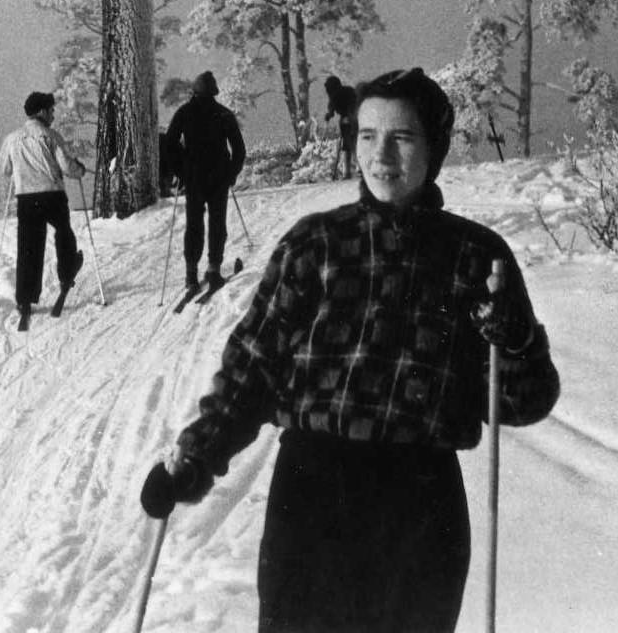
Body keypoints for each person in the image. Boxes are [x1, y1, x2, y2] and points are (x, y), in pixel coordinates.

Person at [140, 67, 560, 632]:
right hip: (313, 495)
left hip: (421, 507)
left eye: (402, 138)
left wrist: (514, 338)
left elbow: (521, 402)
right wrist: (192, 459)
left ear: (433, 148)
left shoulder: (476, 255)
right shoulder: (314, 244)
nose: (381, 154)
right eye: (367, 136)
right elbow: (252, 371)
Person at [0, 91, 87, 326]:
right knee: (63, 231)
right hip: (52, 194)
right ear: (42, 112)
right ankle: (67, 272)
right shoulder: (50, 135)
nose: (53, 115)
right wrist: (79, 169)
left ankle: (25, 299)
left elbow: (3, 168)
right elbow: (67, 167)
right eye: (51, 110)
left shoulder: (12, 138)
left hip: (26, 197)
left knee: (29, 246)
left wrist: (20, 169)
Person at [164, 71, 247, 293]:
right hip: (218, 177)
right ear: (213, 92)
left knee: (194, 225)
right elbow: (239, 150)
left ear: (195, 91)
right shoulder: (223, 114)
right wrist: (231, 173)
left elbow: (170, 144)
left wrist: (181, 171)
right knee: (217, 223)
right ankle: (213, 269)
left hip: (194, 178)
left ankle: (191, 275)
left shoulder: (184, 113)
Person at [322, 74, 358, 179]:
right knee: (356, 143)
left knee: (347, 145)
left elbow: (331, 110)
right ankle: (359, 169)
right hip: (359, 119)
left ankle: (347, 172)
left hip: (348, 120)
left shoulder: (334, 96)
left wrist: (328, 115)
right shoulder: (350, 90)